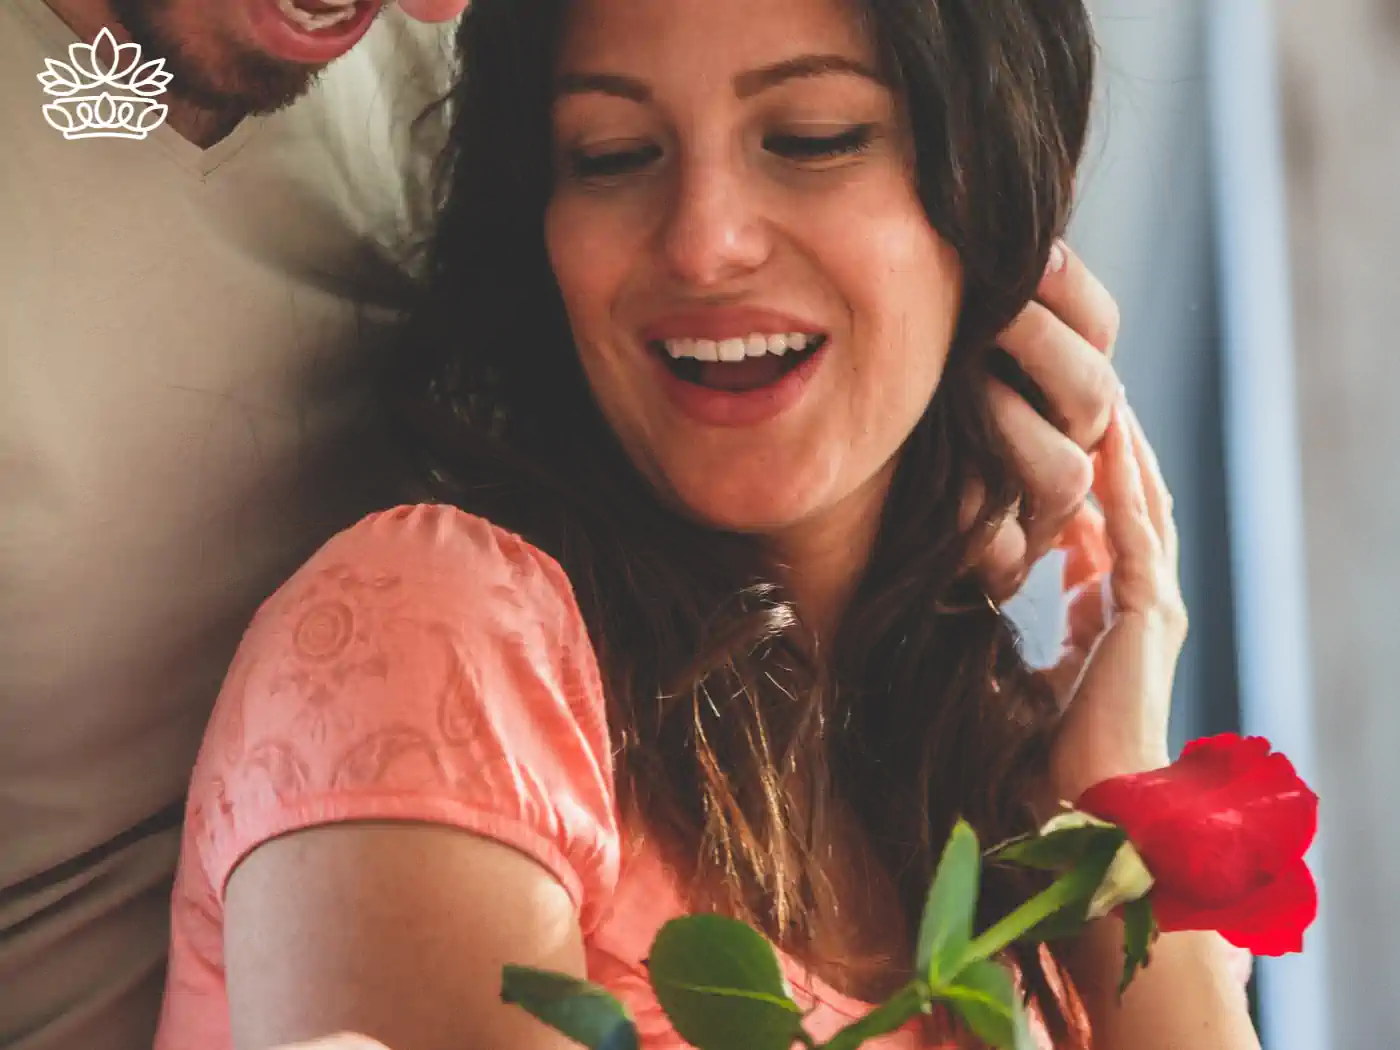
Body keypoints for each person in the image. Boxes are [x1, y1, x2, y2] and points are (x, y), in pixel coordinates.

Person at [0, 0, 1116, 1049]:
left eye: (814, 138)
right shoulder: (431, 638)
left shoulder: (433, 56)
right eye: (612, 159)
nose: (441, 8)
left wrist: (1125, 793)